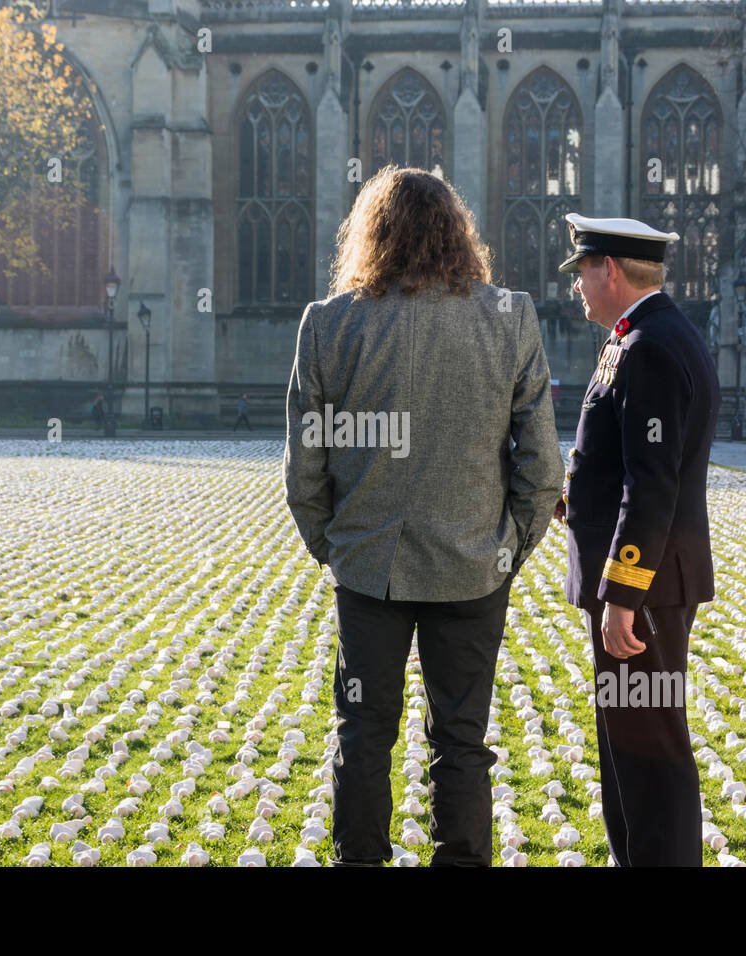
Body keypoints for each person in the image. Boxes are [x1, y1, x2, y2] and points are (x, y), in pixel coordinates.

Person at [284, 165, 563, 866]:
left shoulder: (328, 326)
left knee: (363, 734)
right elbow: (541, 465)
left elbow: (305, 467)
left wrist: (336, 545)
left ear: (370, 235)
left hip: (368, 566)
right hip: (474, 568)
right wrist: (507, 548)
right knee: (462, 741)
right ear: (457, 234)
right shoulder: (510, 318)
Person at [552, 213, 720, 867]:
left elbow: (653, 486)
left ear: (611, 270)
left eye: (583, 272)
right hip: (644, 583)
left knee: (650, 757)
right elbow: (630, 467)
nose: (577, 288)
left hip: (641, 592)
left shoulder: (648, 345)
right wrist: (577, 501)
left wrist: (623, 591)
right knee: (632, 750)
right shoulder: (647, 334)